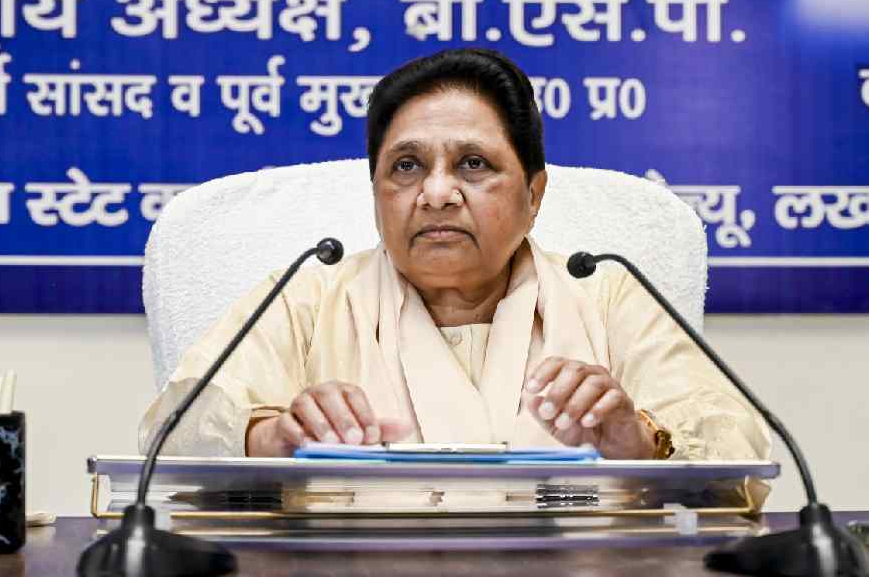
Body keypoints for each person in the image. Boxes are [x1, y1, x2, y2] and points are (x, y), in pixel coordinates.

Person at [139, 48, 770, 463]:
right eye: (406, 166)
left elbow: (739, 453)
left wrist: (637, 440)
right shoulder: (310, 295)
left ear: (534, 194)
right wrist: (273, 437)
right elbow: (170, 434)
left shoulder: (605, 296)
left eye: (473, 164)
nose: (436, 193)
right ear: (376, 192)